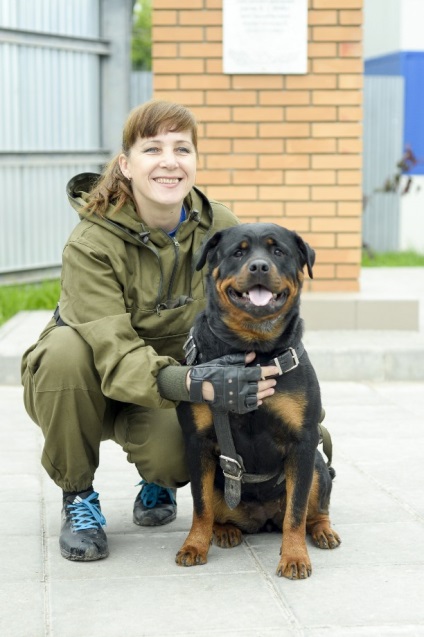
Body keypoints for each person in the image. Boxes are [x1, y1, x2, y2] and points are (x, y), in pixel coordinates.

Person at [21, 99, 279, 562]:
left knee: (179, 454)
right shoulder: (91, 241)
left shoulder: (221, 228)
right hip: (88, 384)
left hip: (165, 386)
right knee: (62, 352)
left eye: (182, 149)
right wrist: (197, 383)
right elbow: (114, 352)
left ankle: (158, 482)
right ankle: (78, 496)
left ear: (195, 162)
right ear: (126, 164)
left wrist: (306, 428)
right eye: (152, 148)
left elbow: (252, 325)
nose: (169, 161)